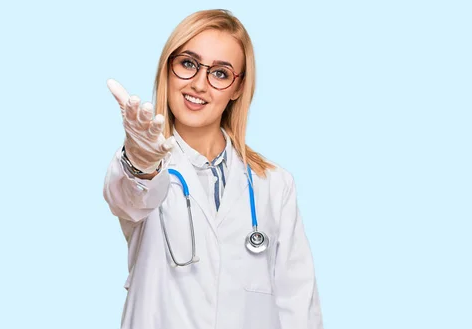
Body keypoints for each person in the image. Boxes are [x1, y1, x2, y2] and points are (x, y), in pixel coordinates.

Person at [103, 9, 323, 329]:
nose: (199, 84)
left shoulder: (274, 185)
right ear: (168, 67)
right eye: (188, 64)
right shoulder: (146, 165)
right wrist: (141, 162)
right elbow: (127, 197)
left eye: (220, 73)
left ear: (237, 88)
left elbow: (299, 306)